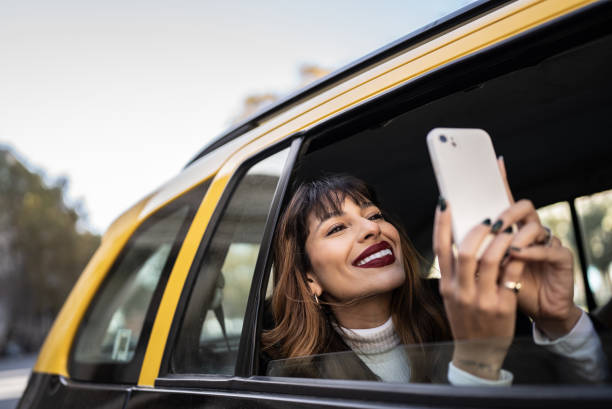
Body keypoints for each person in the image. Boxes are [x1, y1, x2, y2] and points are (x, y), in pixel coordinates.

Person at [261, 172, 607, 385]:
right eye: (337, 227)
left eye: (375, 214)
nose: (372, 228)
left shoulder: (481, 314)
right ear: (309, 280)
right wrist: (476, 365)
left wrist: (560, 320)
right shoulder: (292, 380)